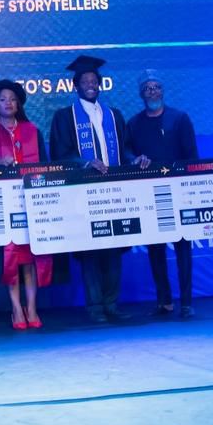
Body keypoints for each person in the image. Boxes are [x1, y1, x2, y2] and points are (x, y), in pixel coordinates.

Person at [49, 56, 143, 323]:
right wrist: (85, 162)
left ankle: (112, 304)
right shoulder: (64, 117)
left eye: (94, 81)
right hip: (83, 195)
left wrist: (134, 158)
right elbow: (60, 154)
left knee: (113, 248)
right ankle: (95, 307)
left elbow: (123, 149)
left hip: (113, 193)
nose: (90, 85)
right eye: (85, 81)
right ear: (75, 86)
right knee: (90, 251)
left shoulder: (114, 115)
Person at [0, 79, 54, 330]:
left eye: (12, 99)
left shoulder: (32, 131)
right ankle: (16, 308)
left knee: (31, 257)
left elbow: (46, 166)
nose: (8, 103)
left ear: (19, 103)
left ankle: (31, 307)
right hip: (4, 204)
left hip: (31, 201)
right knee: (12, 258)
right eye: (2, 99)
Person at [127, 69, 199, 319]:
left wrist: (190, 188)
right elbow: (128, 154)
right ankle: (164, 301)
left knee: (183, 248)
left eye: (156, 86)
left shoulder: (180, 119)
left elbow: (192, 157)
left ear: (163, 90)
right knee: (156, 250)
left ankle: (187, 302)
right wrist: (136, 159)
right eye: (148, 88)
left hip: (179, 192)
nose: (153, 91)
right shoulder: (134, 124)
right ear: (141, 93)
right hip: (150, 194)